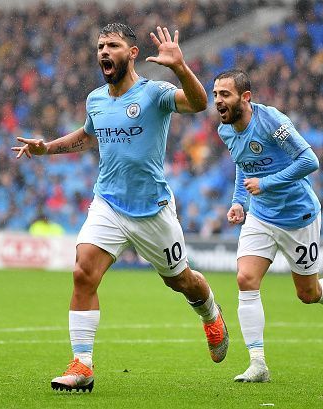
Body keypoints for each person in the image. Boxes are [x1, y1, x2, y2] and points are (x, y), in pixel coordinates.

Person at [12, 23, 228, 393]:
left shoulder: (155, 93)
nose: (103, 52)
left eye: (112, 45)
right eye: (99, 46)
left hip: (152, 209)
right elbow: (86, 135)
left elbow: (198, 103)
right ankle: (82, 365)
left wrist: (179, 67)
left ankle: (209, 312)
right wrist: (46, 148)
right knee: (83, 272)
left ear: (131, 53)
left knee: (180, 281)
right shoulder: (95, 99)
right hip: (108, 203)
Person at [212, 69, 323, 383]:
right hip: (261, 216)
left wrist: (266, 184)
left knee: (309, 293)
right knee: (245, 278)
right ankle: (258, 364)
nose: (218, 101)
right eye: (215, 95)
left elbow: (310, 161)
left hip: (298, 217)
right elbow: (243, 167)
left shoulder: (272, 122)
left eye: (224, 94)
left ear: (246, 97)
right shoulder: (225, 131)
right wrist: (238, 201)